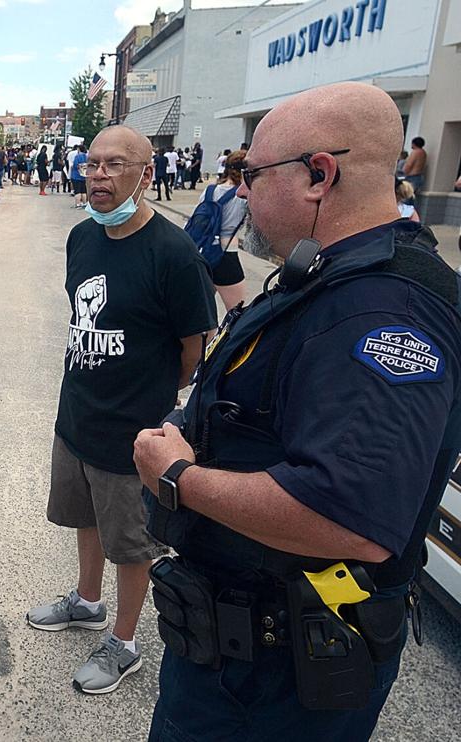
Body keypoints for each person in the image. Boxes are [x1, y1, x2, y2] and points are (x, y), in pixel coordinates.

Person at [136, 81, 461, 742]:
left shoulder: (381, 311)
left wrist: (178, 478)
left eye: (252, 174)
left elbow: (350, 516)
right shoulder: (331, 276)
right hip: (243, 653)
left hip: (272, 679)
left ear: (319, 174)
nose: (243, 191)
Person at [27, 125, 216, 695]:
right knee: (86, 518)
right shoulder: (82, 237)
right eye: (91, 165)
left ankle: (126, 642)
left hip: (134, 432)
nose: (99, 176)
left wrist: (154, 399)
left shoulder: (175, 253)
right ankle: (87, 602)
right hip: (77, 415)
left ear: (146, 173)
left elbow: (192, 351)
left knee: (132, 543)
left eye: (115, 165)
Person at [206, 150, 250, 310]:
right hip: (227, 253)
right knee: (237, 313)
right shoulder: (244, 195)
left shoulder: (209, 191)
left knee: (201, 311)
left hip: (205, 251)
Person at [69, 144, 88, 208]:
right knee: (83, 190)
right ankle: (84, 203)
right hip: (84, 176)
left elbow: (75, 165)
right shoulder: (86, 156)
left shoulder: (77, 156)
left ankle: (78, 204)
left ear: (79, 149)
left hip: (76, 175)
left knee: (77, 191)